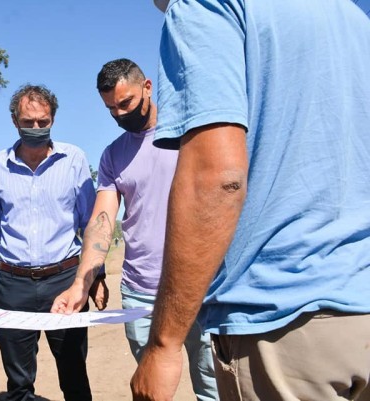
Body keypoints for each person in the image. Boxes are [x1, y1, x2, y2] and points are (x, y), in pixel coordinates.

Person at [132, 1, 370, 400]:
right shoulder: (352, 17)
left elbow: (216, 179)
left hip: (282, 324)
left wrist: (164, 345)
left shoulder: (205, 7)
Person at [51, 58, 218, 401]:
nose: (119, 114)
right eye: (111, 109)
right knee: (151, 392)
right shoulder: (113, 155)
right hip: (141, 292)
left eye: (125, 103)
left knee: (216, 389)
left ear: (147, 88)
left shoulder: (193, 134)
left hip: (203, 288)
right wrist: (82, 282)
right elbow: (101, 222)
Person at [0, 84, 103, 401]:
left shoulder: (74, 160)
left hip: (64, 280)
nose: (36, 128)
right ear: (14, 122)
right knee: (18, 382)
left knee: (74, 373)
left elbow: (91, 223)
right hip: (13, 284)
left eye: (42, 121)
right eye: (28, 122)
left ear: (52, 119)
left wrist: (95, 277)